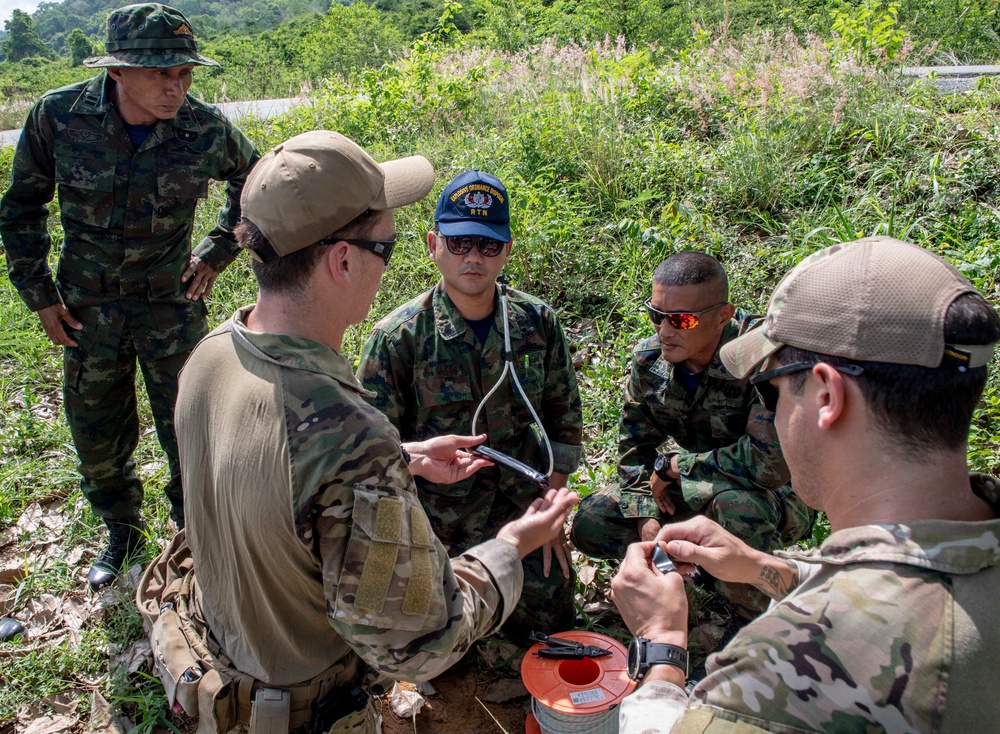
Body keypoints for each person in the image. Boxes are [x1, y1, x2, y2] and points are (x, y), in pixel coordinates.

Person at [136, 131, 579, 733]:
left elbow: (279, 475)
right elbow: (420, 641)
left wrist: (403, 458)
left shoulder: (212, 354)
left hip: (225, 657)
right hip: (304, 710)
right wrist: (514, 544)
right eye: (385, 248)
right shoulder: (344, 432)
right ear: (343, 260)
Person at [610, 236, 1000, 733]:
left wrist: (662, 645)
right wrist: (767, 569)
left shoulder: (779, 675)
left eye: (776, 390)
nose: (665, 329)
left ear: (825, 395)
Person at [0, 3, 260, 590]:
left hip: (170, 307)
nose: (176, 88)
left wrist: (218, 250)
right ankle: (120, 526)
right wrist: (40, 295)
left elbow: (258, 178)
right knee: (96, 430)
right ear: (118, 71)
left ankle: (194, 532)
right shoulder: (59, 117)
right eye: (161, 75)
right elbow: (20, 209)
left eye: (185, 74)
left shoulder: (203, 127)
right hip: (86, 309)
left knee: (190, 429)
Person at [356, 170, 584, 641]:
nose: (474, 257)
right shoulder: (399, 337)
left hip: (518, 506)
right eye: (459, 243)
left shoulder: (536, 322)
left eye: (488, 244)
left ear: (508, 250)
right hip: (433, 519)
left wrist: (549, 510)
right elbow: (375, 452)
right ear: (432, 244)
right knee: (426, 646)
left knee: (552, 625)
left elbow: (565, 420)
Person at [571, 251, 812, 622]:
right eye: (656, 315)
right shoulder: (651, 360)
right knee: (592, 519)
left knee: (735, 508)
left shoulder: (762, 357)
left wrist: (676, 466)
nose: (664, 331)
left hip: (773, 494)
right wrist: (645, 517)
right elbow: (634, 447)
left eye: (681, 320)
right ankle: (696, 570)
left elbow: (770, 465)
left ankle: (754, 620)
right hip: (693, 485)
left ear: (722, 316)